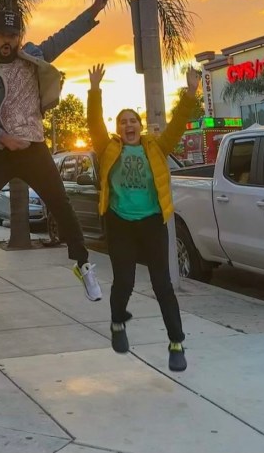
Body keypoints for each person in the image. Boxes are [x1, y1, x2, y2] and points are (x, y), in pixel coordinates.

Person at [0, 0, 110, 325]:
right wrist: (2, 137)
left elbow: (63, 37)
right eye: (3, 35)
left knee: (61, 203)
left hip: (32, 148)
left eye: (14, 36)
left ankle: (83, 263)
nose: (8, 42)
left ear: (19, 38)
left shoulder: (33, 57)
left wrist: (92, 11)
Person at [87, 63, 201, 371]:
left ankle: (176, 343)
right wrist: (95, 90)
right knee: (123, 281)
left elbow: (177, 124)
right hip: (120, 222)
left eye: (132, 120)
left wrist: (191, 92)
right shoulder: (108, 148)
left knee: (162, 284)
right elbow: (94, 124)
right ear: (119, 129)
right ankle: (117, 323)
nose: (128, 125)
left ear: (140, 124)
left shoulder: (156, 147)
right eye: (123, 122)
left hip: (152, 221)